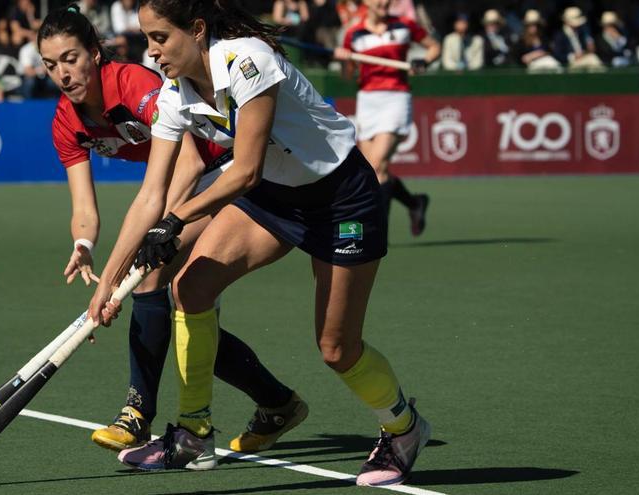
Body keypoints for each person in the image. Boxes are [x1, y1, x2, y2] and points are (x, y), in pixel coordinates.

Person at [88, 0, 430, 486]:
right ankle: (193, 434)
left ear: (197, 30)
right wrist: (109, 280)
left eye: (160, 38)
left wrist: (176, 220)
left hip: (341, 200)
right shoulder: (174, 94)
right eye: (147, 40)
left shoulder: (246, 59)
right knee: (191, 287)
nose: (152, 52)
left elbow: (244, 169)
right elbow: (151, 195)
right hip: (275, 197)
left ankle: (403, 429)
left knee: (337, 349)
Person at [37, 4, 307, 455]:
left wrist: (165, 228)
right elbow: (84, 204)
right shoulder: (66, 121)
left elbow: (191, 160)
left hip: (218, 171)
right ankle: (276, 401)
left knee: (156, 283)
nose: (62, 74)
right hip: (169, 191)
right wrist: (84, 244)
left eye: (70, 58)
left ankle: (137, 414)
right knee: (184, 311)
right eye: (50, 65)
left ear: (95, 53)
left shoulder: (135, 85)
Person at [335, 0, 439, 236]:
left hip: (396, 97)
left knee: (378, 165)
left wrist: (424, 61)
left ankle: (376, 232)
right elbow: (347, 75)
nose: (384, 2)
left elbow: (434, 47)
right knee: (371, 171)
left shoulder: (404, 26)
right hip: (368, 101)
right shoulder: (354, 34)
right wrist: (344, 59)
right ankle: (415, 203)